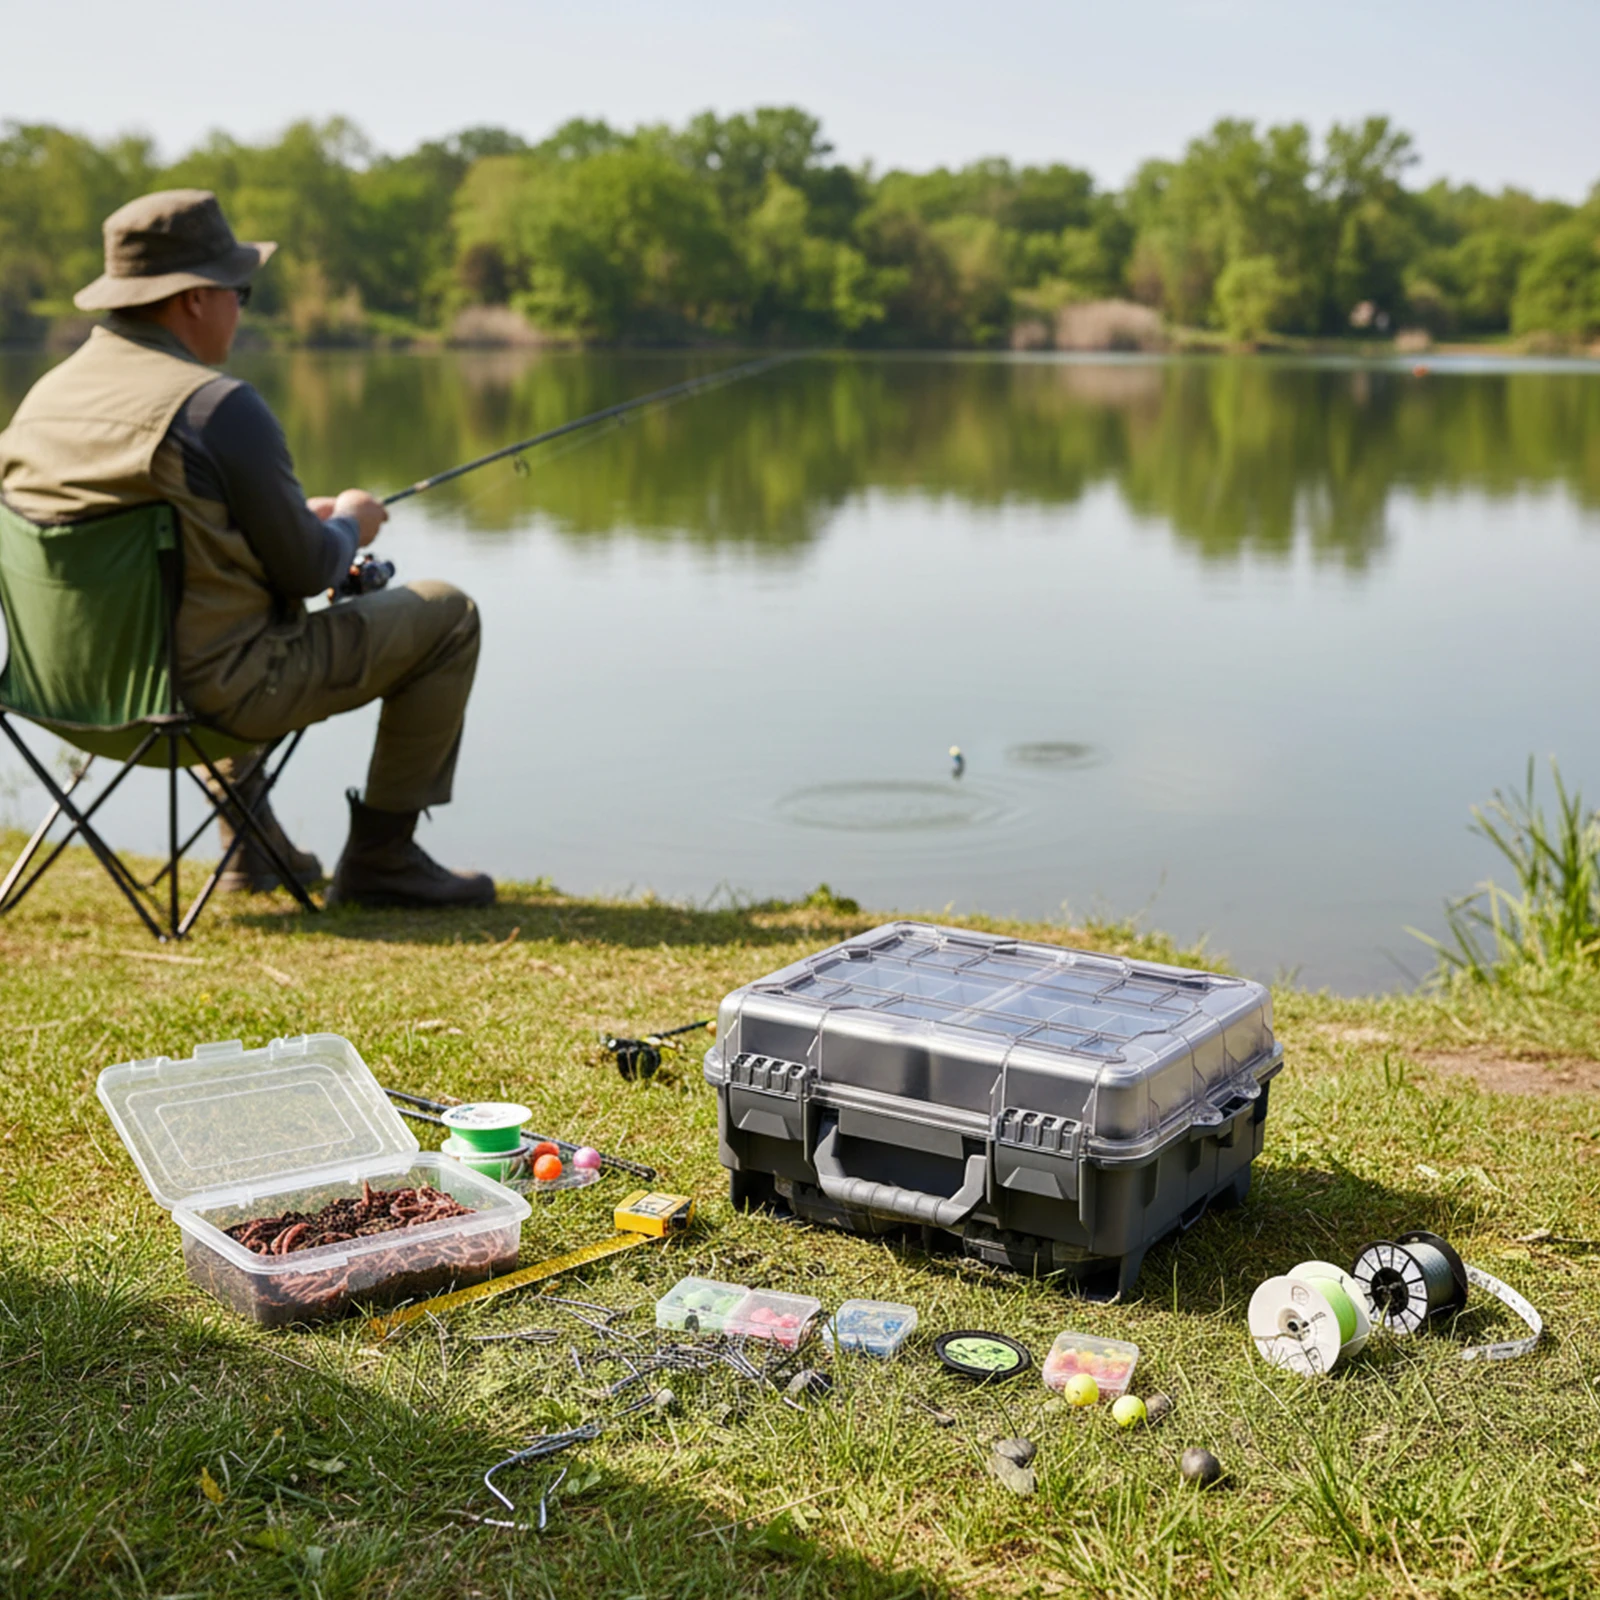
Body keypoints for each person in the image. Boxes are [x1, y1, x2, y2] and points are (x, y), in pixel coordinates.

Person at [0, 189, 493, 909]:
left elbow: (173, 538)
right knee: (448, 613)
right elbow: (309, 568)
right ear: (194, 299)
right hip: (201, 708)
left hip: (59, 703)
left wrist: (297, 517)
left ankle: (248, 846)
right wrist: (351, 522)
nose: (242, 308)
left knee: (208, 617)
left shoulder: (41, 402)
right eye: (242, 291)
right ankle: (383, 861)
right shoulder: (215, 407)